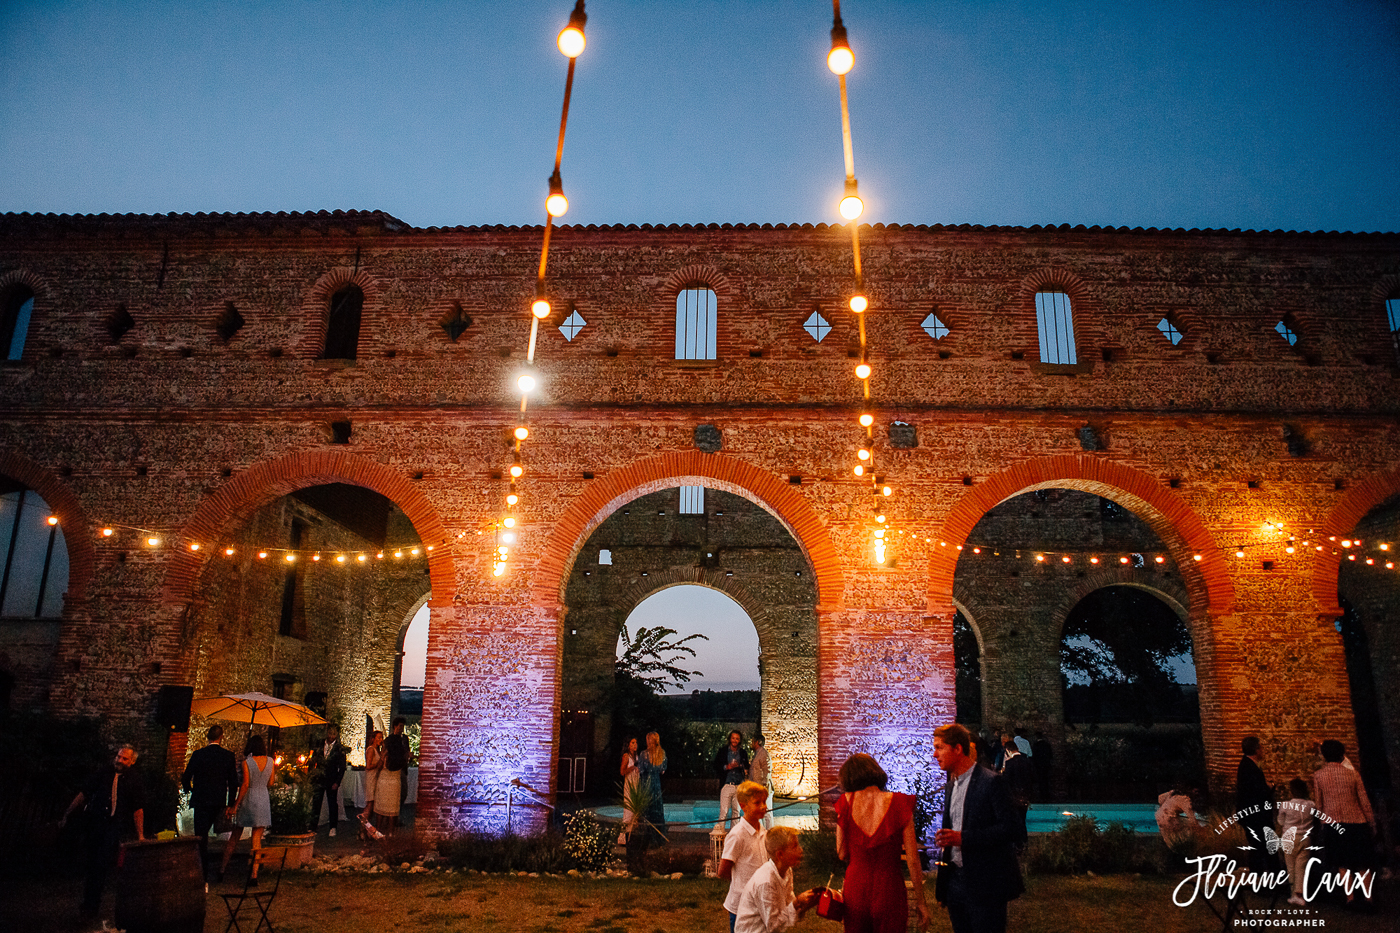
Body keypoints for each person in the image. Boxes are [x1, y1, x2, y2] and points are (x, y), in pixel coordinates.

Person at [933, 723, 1025, 933]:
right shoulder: (950, 786)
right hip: (955, 883)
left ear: (957, 749)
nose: (934, 754)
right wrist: (943, 888)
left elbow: (1011, 828)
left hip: (986, 884)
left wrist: (964, 838)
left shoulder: (991, 782)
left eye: (939, 747)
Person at [835, 753, 929, 933]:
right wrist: (921, 902)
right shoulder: (900, 803)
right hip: (889, 887)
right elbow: (913, 859)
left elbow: (841, 853)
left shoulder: (845, 802)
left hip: (856, 887)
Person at [61, 744, 146, 918]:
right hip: (96, 823)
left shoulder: (133, 779)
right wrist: (68, 812)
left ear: (132, 762)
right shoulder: (104, 773)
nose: (119, 760)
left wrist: (140, 835)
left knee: (101, 864)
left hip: (113, 826)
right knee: (92, 863)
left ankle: (91, 906)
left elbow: (138, 808)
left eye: (124, 758)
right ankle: (88, 902)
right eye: (119, 757)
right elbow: (84, 792)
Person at [1313, 739, 1376, 910]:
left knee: (1342, 863)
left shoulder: (1318, 776)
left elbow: (1319, 804)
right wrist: (1371, 822)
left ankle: (1350, 898)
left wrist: (1322, 824)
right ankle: (1368, 899)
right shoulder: (1353, 774)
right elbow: (1364, 801)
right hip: (1356, 821)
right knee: (1363, 862)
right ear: (1341, 753)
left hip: (1333, 824)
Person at [734, 825, 820, 933]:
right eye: (795, 846)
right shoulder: (766, 881)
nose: (801, 850)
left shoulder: (786, 871)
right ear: (780, 854)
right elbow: (773, 926)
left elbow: (788, 909)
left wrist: (804, 905)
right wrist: (797, 902)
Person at [181, 724, 239, 880]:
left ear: (207, 737)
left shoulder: (198, 754)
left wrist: (190, 790)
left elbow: (186, 777)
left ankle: (202, 872)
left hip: (200, 799)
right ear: (221, 737)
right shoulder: (228, 756)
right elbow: (233, 782)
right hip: (218, 800)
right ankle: (216, 871)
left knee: (200, 837)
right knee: (218, 832)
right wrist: (230, 803)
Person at [219, 734, 274, 883]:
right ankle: (254, 875)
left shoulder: (247, 763)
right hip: (263, 798)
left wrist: (236, 804)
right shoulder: (270, 761)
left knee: (235, 836)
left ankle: (222, 869)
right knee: (256, 839)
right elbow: (271, 782)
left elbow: (245, 784)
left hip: (250, 798)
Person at [720, 780, 770, 931]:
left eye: (764, 802)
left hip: (760, 903)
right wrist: (742, 883)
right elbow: (723, 870)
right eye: (757, 803)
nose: (763, 806)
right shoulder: (737, 835)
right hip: (741, 906)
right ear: (743, 806)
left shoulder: (763, 831)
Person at [1236, 736, 1275, 873]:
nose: (1262, 751)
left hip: (1252, 814)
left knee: (1258, 846)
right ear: (1256, 749)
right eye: (1261, 747)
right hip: (1256, 816)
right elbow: (1255, 792)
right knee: (1260, 846)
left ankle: (1263, 876)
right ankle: (1263, 877)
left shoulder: (1248, 765)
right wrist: (1269, 788)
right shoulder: (1249, 767)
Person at [632, 730, 668, 865]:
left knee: (646, 811)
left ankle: (648, 840)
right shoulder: (662, 754)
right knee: (657, 811)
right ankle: (659, 840)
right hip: (656, 784)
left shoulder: (644, 754)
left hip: (647, 784)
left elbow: (641, 769)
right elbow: (663, 770)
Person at [308, 722, 348, 838]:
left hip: (332, 779)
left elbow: (342, 767)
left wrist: (337, 782)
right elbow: (313, 759)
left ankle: (333, 827)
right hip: (319, 778)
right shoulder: (319, 744)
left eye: (334, 734)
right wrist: (312, 774)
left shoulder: (339, 748)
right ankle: (313, 826)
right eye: (330, 733)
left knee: (332, 804)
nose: (331, 736)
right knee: (316, 803)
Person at [1277, 777, 1313, 907]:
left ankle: (1293, 894)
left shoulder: (1285, 805)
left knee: (1290, 866)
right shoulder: (1311, 805)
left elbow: (1281, 821)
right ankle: (1300, 894)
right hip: (1305, 837)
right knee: (1301, 867)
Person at [714, 730, 750, 830]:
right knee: (724, 812)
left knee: (736, 812)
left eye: (737, 738)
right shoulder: (723, 751)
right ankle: (720, 836)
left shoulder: (742, 753)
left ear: (740, 740)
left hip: (739, 785)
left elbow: (747, 766)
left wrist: (741, 766)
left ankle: (734, 837)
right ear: (730, 739)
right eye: (733, 738)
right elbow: (716, 765)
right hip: (727, 784)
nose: (735, 740)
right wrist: (727, 767)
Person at [383, 716, 413, 830]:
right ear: (395, 726)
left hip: (403, 768)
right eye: (400, 726)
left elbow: (406, 750)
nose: (402, 728)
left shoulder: (405, 739)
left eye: (402, 726)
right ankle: (391, 818)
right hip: (394, 768)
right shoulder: (390, 739)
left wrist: (408, 756)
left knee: (403, 794)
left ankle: (396, 817)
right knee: (394, 795)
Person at [359, 729, 385, 840]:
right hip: (371, 779)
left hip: (376, 779)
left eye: (381, 738)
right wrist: (378, 764)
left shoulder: (378, 750)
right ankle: (361, 829)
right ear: (373, 739)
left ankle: (367, 830)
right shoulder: (371, 750)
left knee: (373, 805)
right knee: (369, 805)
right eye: (378, 738)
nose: (380, 740)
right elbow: (368, 766)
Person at [1155, 784, 1198, 851]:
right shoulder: (1185, 800)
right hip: (1169, 821)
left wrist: (1167, 808)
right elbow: (1192, 820)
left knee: (1169, 842)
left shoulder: (1172, 793)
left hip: (1160, 817)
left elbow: (1160, 798)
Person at [619, 736, 640, 844]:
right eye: (632, 742)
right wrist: (631, 768)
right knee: (628, 810)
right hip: (629, 784)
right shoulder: (626, 756)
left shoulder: (637, 756)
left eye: (636, 742)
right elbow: (622, 772)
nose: (635, 744)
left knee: (635, 811)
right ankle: (623, 837)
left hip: (636, 783)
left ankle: (631, 835)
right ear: (628, 745)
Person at [749, 734, 773, 830]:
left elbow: (767, 771)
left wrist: (763, 788)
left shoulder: (763, 754)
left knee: (767, 812)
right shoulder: (757, 754)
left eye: (753, 741)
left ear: (757, 742)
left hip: (763, 789)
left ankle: (769, 834)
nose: (751, 744)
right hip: (757, 788)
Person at [1030, 732, 1053, 802]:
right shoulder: (1047, 745)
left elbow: (1033, 756)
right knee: (1046, 780)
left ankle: (1041, 795)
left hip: (1038, 766)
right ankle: (1047, 795)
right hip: (1046, 765)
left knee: (1040, 780)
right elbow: (1050, 755)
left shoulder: (1035, 746)